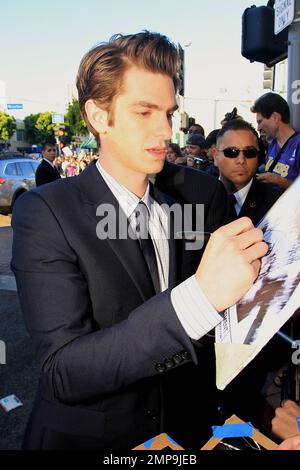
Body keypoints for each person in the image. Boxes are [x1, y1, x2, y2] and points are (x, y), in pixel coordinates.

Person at [11, 31, 267, 450]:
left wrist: (257, 415)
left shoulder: (198, 196)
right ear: (98, 116)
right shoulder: (45, 212)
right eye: (144, 112)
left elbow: (224, 331)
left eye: (168, 113)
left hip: (186, 433)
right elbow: (64, 369)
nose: (164, 130)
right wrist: (198, 299)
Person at [213, 120, 282, 226]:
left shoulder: (277, 203)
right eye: (231, 152)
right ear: (216, 156)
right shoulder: (195, 198)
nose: (241, 160)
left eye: (250, 152)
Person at [251, 92, 300, 189]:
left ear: (275, 117)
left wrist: (279, 181)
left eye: (260, 121)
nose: (258, 127)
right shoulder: (273, 144)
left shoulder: (298, 144)